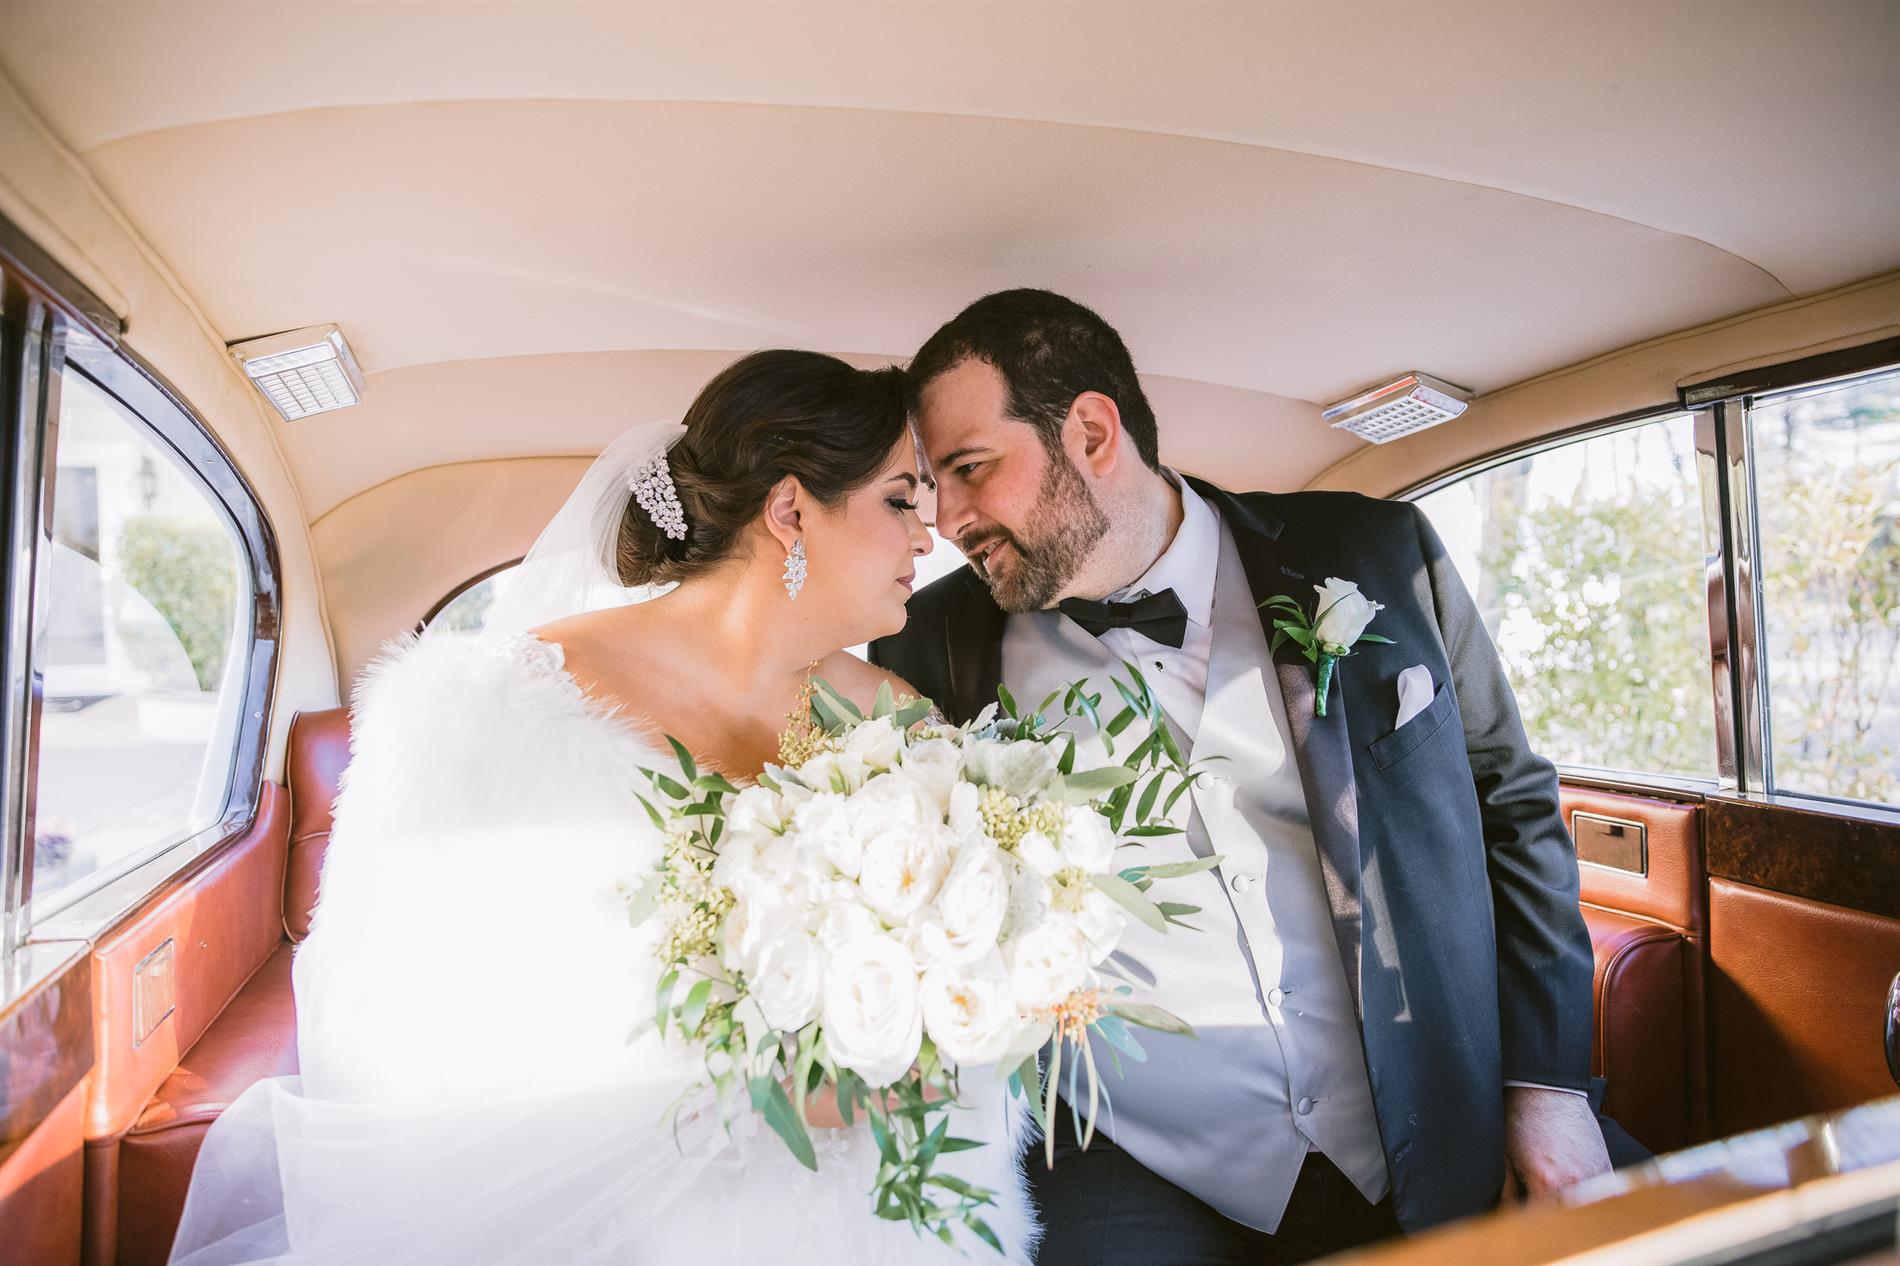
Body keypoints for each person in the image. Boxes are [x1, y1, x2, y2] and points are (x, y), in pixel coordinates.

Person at [168, 350, 1038, 1265]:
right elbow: (402, 1026)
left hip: (876, 1200)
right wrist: (759, 1090)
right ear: (790, 511)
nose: (927, 538)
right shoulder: (492, 705)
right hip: (605, 1212)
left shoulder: (897, 723)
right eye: (900, 500)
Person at [871, 290, 1637, 1266]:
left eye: (969, 469)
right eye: (930, 486)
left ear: (1092, 433)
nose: (946, 520)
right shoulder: (931, 644)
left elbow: (1513, 813)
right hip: (1138, 1165)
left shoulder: (1376, 554)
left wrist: (1546, 1088)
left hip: (1442, 1106)